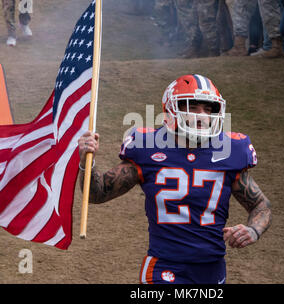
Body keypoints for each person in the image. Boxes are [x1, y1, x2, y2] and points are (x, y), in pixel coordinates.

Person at [78, 74, 272, 284]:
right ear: (172, 110)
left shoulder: (229, 151)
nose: (202, 116)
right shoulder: (148, 147)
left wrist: (253, 229)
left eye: (208, 109)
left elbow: (261, 205)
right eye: (193, 107)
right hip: (164, 266)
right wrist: (87, 160)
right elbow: (96, 194)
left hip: (212, 268)